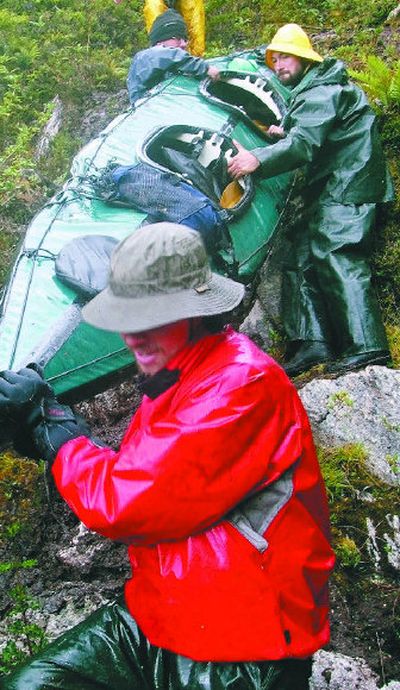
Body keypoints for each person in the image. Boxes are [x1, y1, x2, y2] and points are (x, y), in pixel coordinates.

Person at [0, 223, 334, 690]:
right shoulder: (175, 374)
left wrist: (57, 433)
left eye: (151, 317)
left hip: (243, 641)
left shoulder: (242, 384)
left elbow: (129, 501)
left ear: (197, 313)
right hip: (158, 613)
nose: (133, 335)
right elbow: (142, 472)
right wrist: (45, 431)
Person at [227, 23, 394, 377]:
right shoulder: (315, 89)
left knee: (337, 254)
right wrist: (283, 134)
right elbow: (313, 132)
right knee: (300, 256)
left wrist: (258, 158)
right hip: (329, 189)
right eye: (274, 60)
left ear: (304, 58)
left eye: (285, 57)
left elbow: (304, 143)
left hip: (349, 187)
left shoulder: (322, 91)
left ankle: (368, 346)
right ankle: (311, 342)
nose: (278, 66)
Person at [127, 8, 219, 105]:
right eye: (177, 38)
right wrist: (203, 67)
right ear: (159, 42)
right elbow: (163, 55)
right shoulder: (145, 57)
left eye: (185, 39)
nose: (183, 44)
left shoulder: (177, 65)